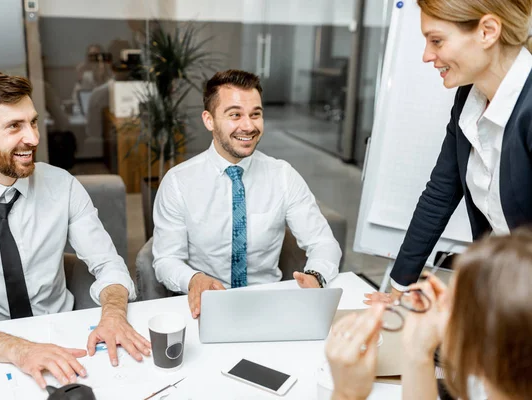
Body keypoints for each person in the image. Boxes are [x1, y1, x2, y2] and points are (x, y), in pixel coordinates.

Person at [0, 71, 150, 389]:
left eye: (33, 122)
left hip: (64, 333)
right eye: (13, 126)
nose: (33, 138)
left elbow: (109, 265)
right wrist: (20, 350)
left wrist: (114, 313)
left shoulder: (62, 185)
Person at [365, 0, 532, 304]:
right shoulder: (468, 97)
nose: (427, 55)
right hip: (502, 286)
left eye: (437, 40)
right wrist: (398, 289)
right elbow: (440, 194)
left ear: (488, 31)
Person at [152, 69, 342, 318]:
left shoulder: (282, 175)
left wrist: (316, 276)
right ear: (209, 120)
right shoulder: (178, 182)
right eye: (235, 115)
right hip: (205, 307)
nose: (249, 126)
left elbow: (323, 243)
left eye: (256, 114)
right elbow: (165, 259)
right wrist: (193, 279)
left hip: (270, 307)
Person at [327, 230, 532, 400]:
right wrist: (418, 351)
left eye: (454, 301)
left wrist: (346, 393)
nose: (439, 302)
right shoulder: (490, 386)